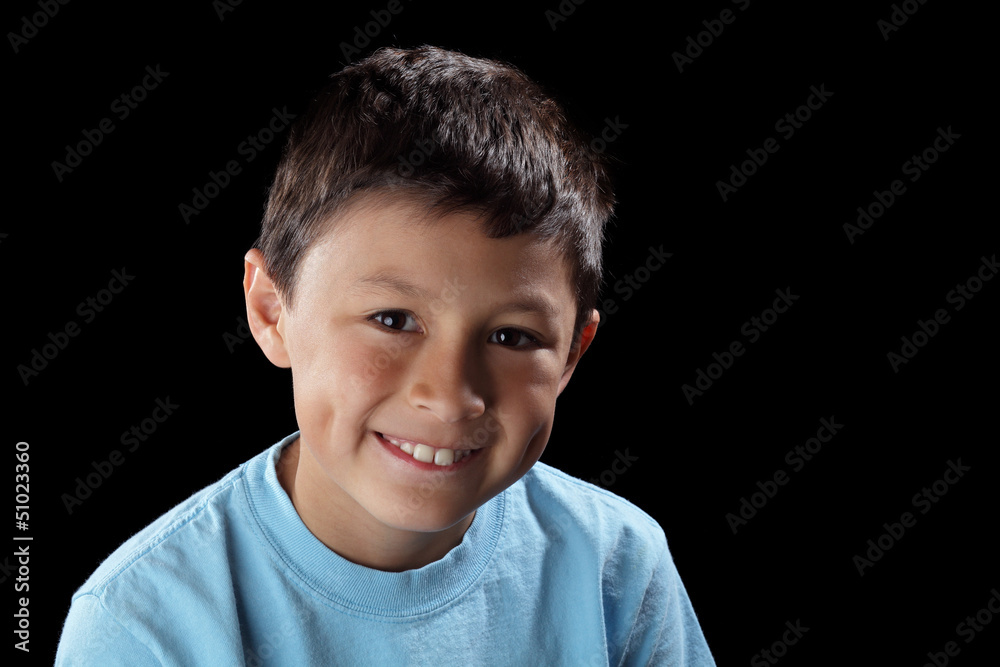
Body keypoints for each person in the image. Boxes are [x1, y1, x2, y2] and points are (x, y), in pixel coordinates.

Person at [56, 45, 716, 665]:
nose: (451, 394)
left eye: (513, 336)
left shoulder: (619, 569)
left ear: (572, 354)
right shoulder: (141, 622)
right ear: (270, 311)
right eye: (393, 319)